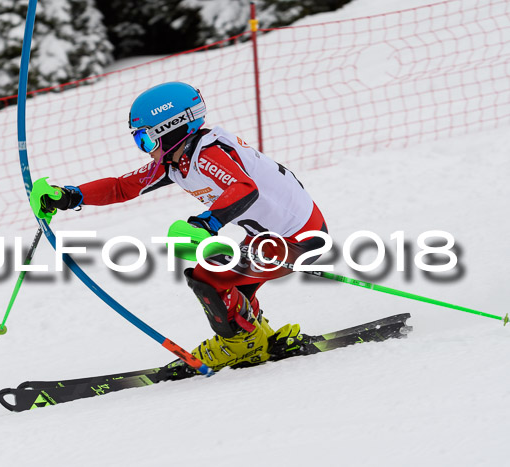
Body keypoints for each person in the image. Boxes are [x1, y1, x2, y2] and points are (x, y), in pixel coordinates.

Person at [31, 82, 328, 372]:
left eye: (145, 140)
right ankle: (255, 337)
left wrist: (206, 223)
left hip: (299, 239)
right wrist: (69, 196)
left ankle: (240, 344)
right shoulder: (176, 160)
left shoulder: (207, 153)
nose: (145, 150)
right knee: (231, 287)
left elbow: (244, 188)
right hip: (271, 237)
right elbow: (122, 187)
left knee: (208, 277)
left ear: (170, 129)